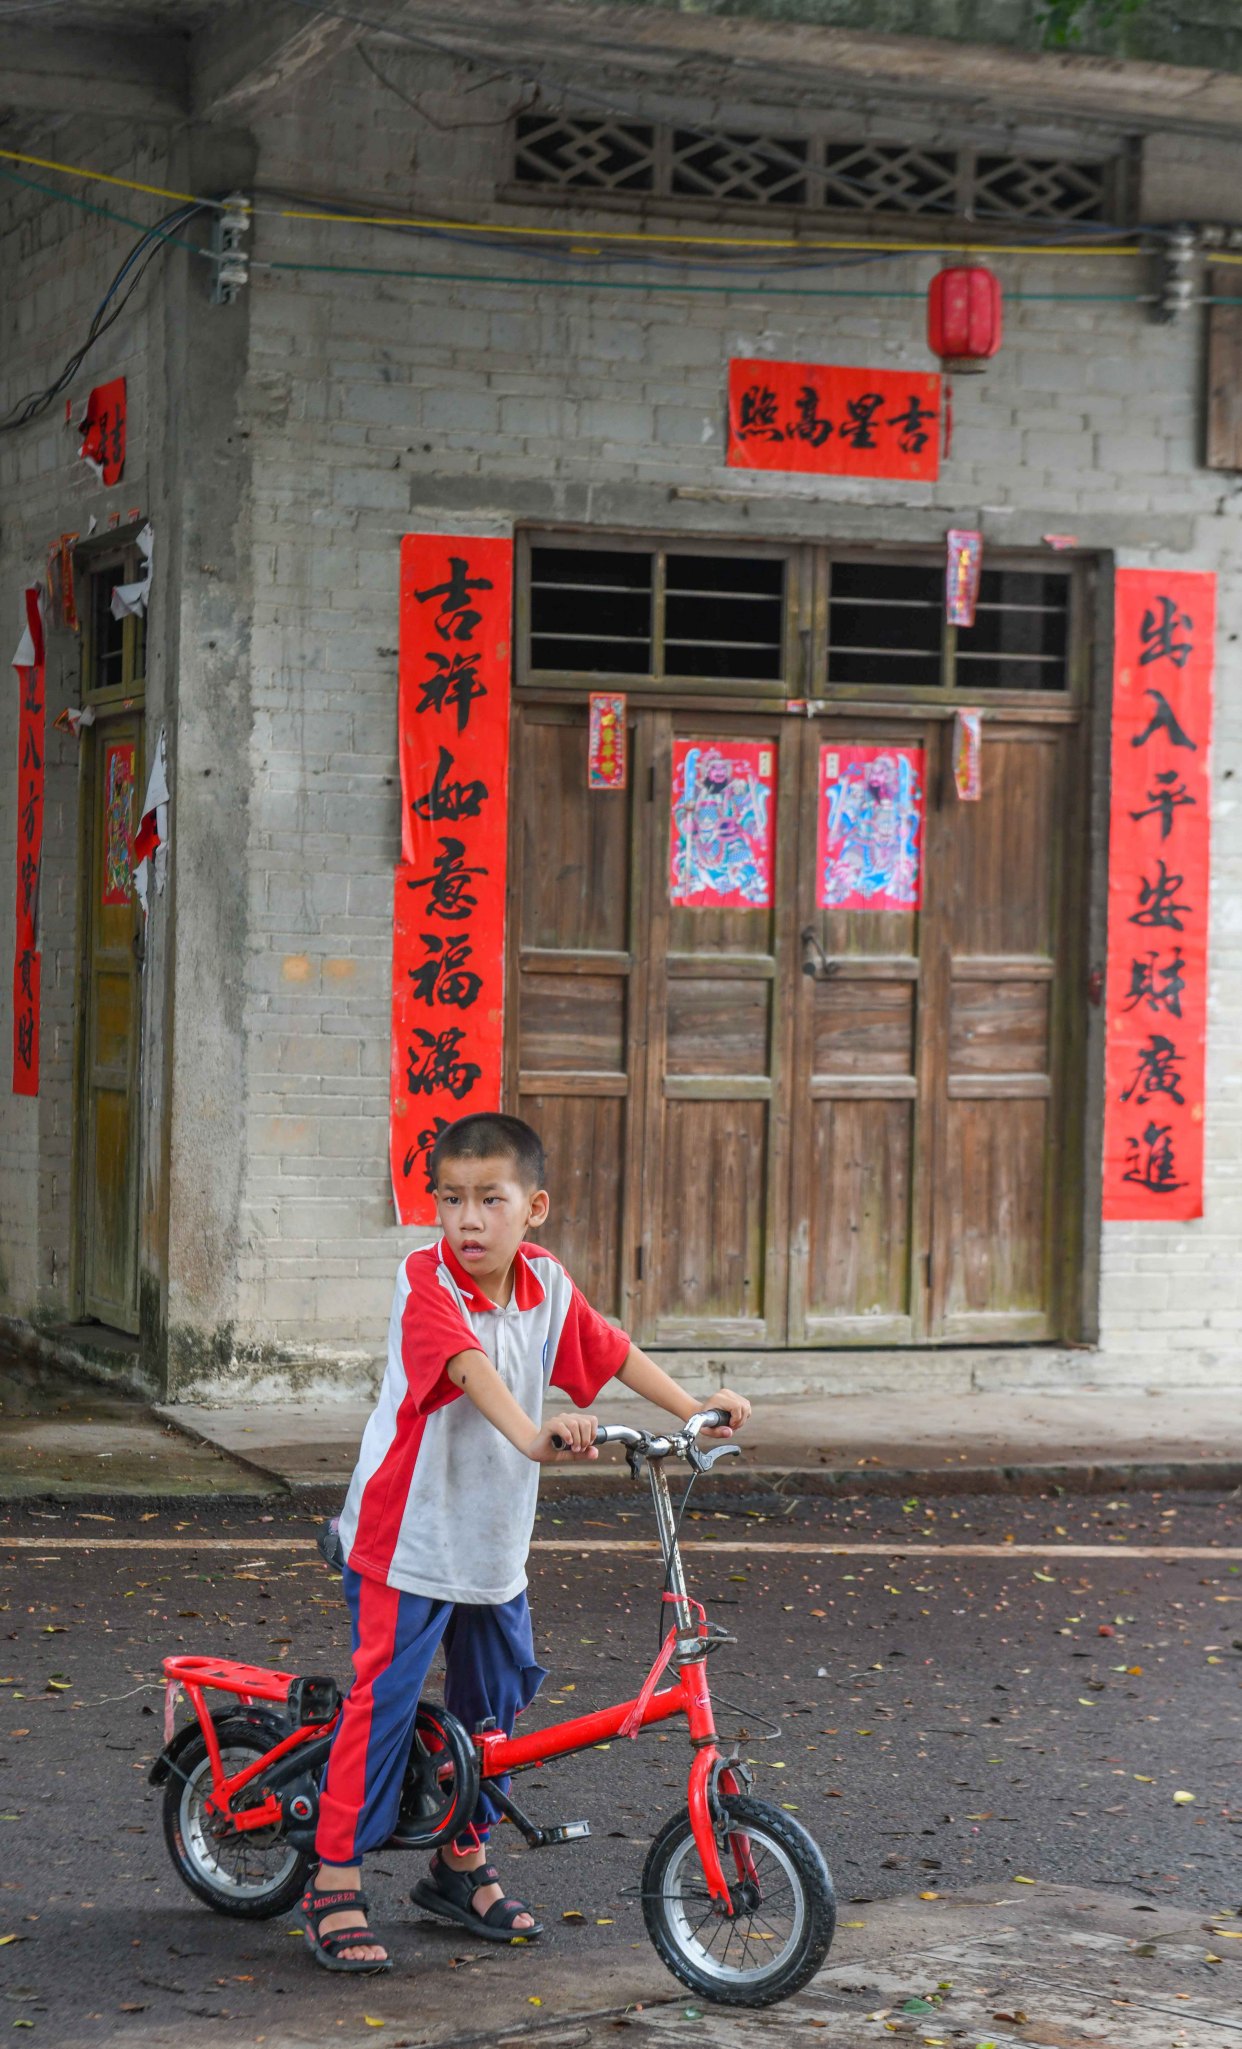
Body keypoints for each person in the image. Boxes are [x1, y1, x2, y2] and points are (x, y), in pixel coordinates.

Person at [300, 1110, 751, 1973]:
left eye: (489, 1200)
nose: (467, 1219)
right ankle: (332, 1878)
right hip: (407, 1537)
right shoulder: (423, 1280)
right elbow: (466, 1365)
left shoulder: (546, 1281)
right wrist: (532, 1432)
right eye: (450, 1199)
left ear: (533, 1207)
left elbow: (609, 1350)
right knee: (383, 1706)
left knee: (497, 1708)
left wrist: (697, 1406)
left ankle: (459, 1861)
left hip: (490, 1544)